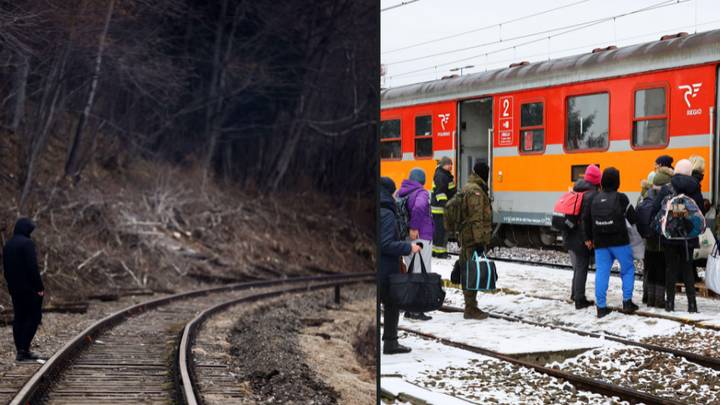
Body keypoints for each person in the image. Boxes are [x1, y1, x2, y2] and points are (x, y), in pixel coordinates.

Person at [651, 159, 707, 313]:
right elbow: (700, 211)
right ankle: (692, 305)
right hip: (688, 236)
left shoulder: (667, 188)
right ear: (690, 172)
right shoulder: (695, 189)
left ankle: (670, 304)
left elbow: (655, 209)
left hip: (670, 236)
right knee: (687, 268)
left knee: (670, 269)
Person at [584, 167, 638, 318]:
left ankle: (601, 308)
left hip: (600, 243)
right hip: (620, 242)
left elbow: (586, 220)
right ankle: (627, 302)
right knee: (627, 270)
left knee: (602, 272)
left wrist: (588, 238)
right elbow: (633, 218)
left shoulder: (594, 198)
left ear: (602, 181)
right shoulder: (621, 198)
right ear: (617, 182)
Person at [379, 177, 422, 354]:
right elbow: (385, 243)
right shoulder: (387, 213)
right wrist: (408, 247)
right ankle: (390, 343)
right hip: (385, 269)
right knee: (391, 303)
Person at [3, 218, 45, 361]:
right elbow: (32, 268)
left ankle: (20, 351)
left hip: (14, 288)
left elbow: (6, 269)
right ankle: (24, 350)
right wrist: (39, 287)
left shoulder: (8, 244)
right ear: (26, 230)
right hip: (29, 288)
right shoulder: (27, 244)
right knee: (34, 317)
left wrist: (10, 285)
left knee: (19, 317)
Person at [455, 161, 492, 320]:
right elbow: (477, 218)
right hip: (472, 238)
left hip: (468, 236)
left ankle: (471, 306)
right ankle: (470, 308)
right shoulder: (475, 191)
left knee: (470, 270)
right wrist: (478, 241)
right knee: (471, 271)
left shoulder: (470, 187)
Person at [398, 168, 434, 321]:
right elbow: (419, 208)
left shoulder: (400, 192)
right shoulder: (422, 193)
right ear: (422, 181)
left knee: (411, 272)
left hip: (406, 238)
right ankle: (416, 310)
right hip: (421, 237)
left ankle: (408, 308)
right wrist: (414, 227)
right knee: (420, 273)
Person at [564, 164, 600, 310]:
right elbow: (585, 220)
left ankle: (575, 294)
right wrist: (587, 239)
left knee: (578, 266)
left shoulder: (576, 190)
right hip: (580, 236)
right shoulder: (591, 195)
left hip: (570, 234)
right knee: (581, 266)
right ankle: (580, 299)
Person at [643, 162, 674, 308]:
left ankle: (650, 299)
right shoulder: (667, 199)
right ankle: (659, 300)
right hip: (662, 242)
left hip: (649, 242)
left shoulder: (645, 196)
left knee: (651, 271)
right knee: (661, 271)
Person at [431, 157, 456, 258]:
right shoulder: (441, 176)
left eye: (451, 164)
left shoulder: (444, 175)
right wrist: (446, 205)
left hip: (440, 208)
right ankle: (440, 253)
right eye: (449, 164)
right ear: (444, 165)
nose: (450, 166)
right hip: (440, 208)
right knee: (441, 231)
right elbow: (440, 193)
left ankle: (435, 251)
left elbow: (450, 190)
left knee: (439, 231)